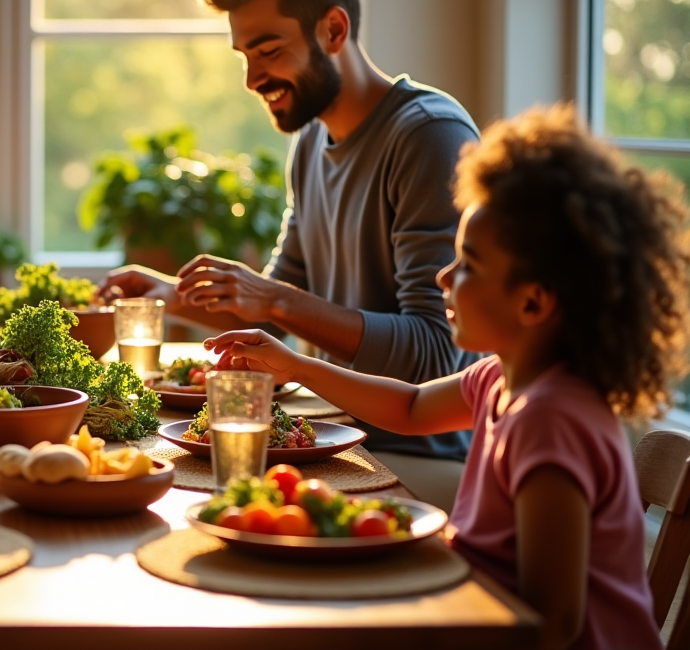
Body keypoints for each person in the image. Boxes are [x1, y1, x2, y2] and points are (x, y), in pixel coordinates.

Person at [206, 106, 685, 650]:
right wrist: (298, 366)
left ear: (533, 302)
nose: (443, 276)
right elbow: (410, 407)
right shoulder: (502, 379)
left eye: (469, 265)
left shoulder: (551, 420)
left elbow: (551, 626)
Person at [100, 0, 477, 501]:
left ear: (333, 29)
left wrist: (271, 298)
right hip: (329, 435)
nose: (253, 79)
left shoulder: (426, 135)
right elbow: (280, 306)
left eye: (270, 50)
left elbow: (433, 356)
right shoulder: (310, 143)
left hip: (410, 457)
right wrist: (166, 294)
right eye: (245, 55)